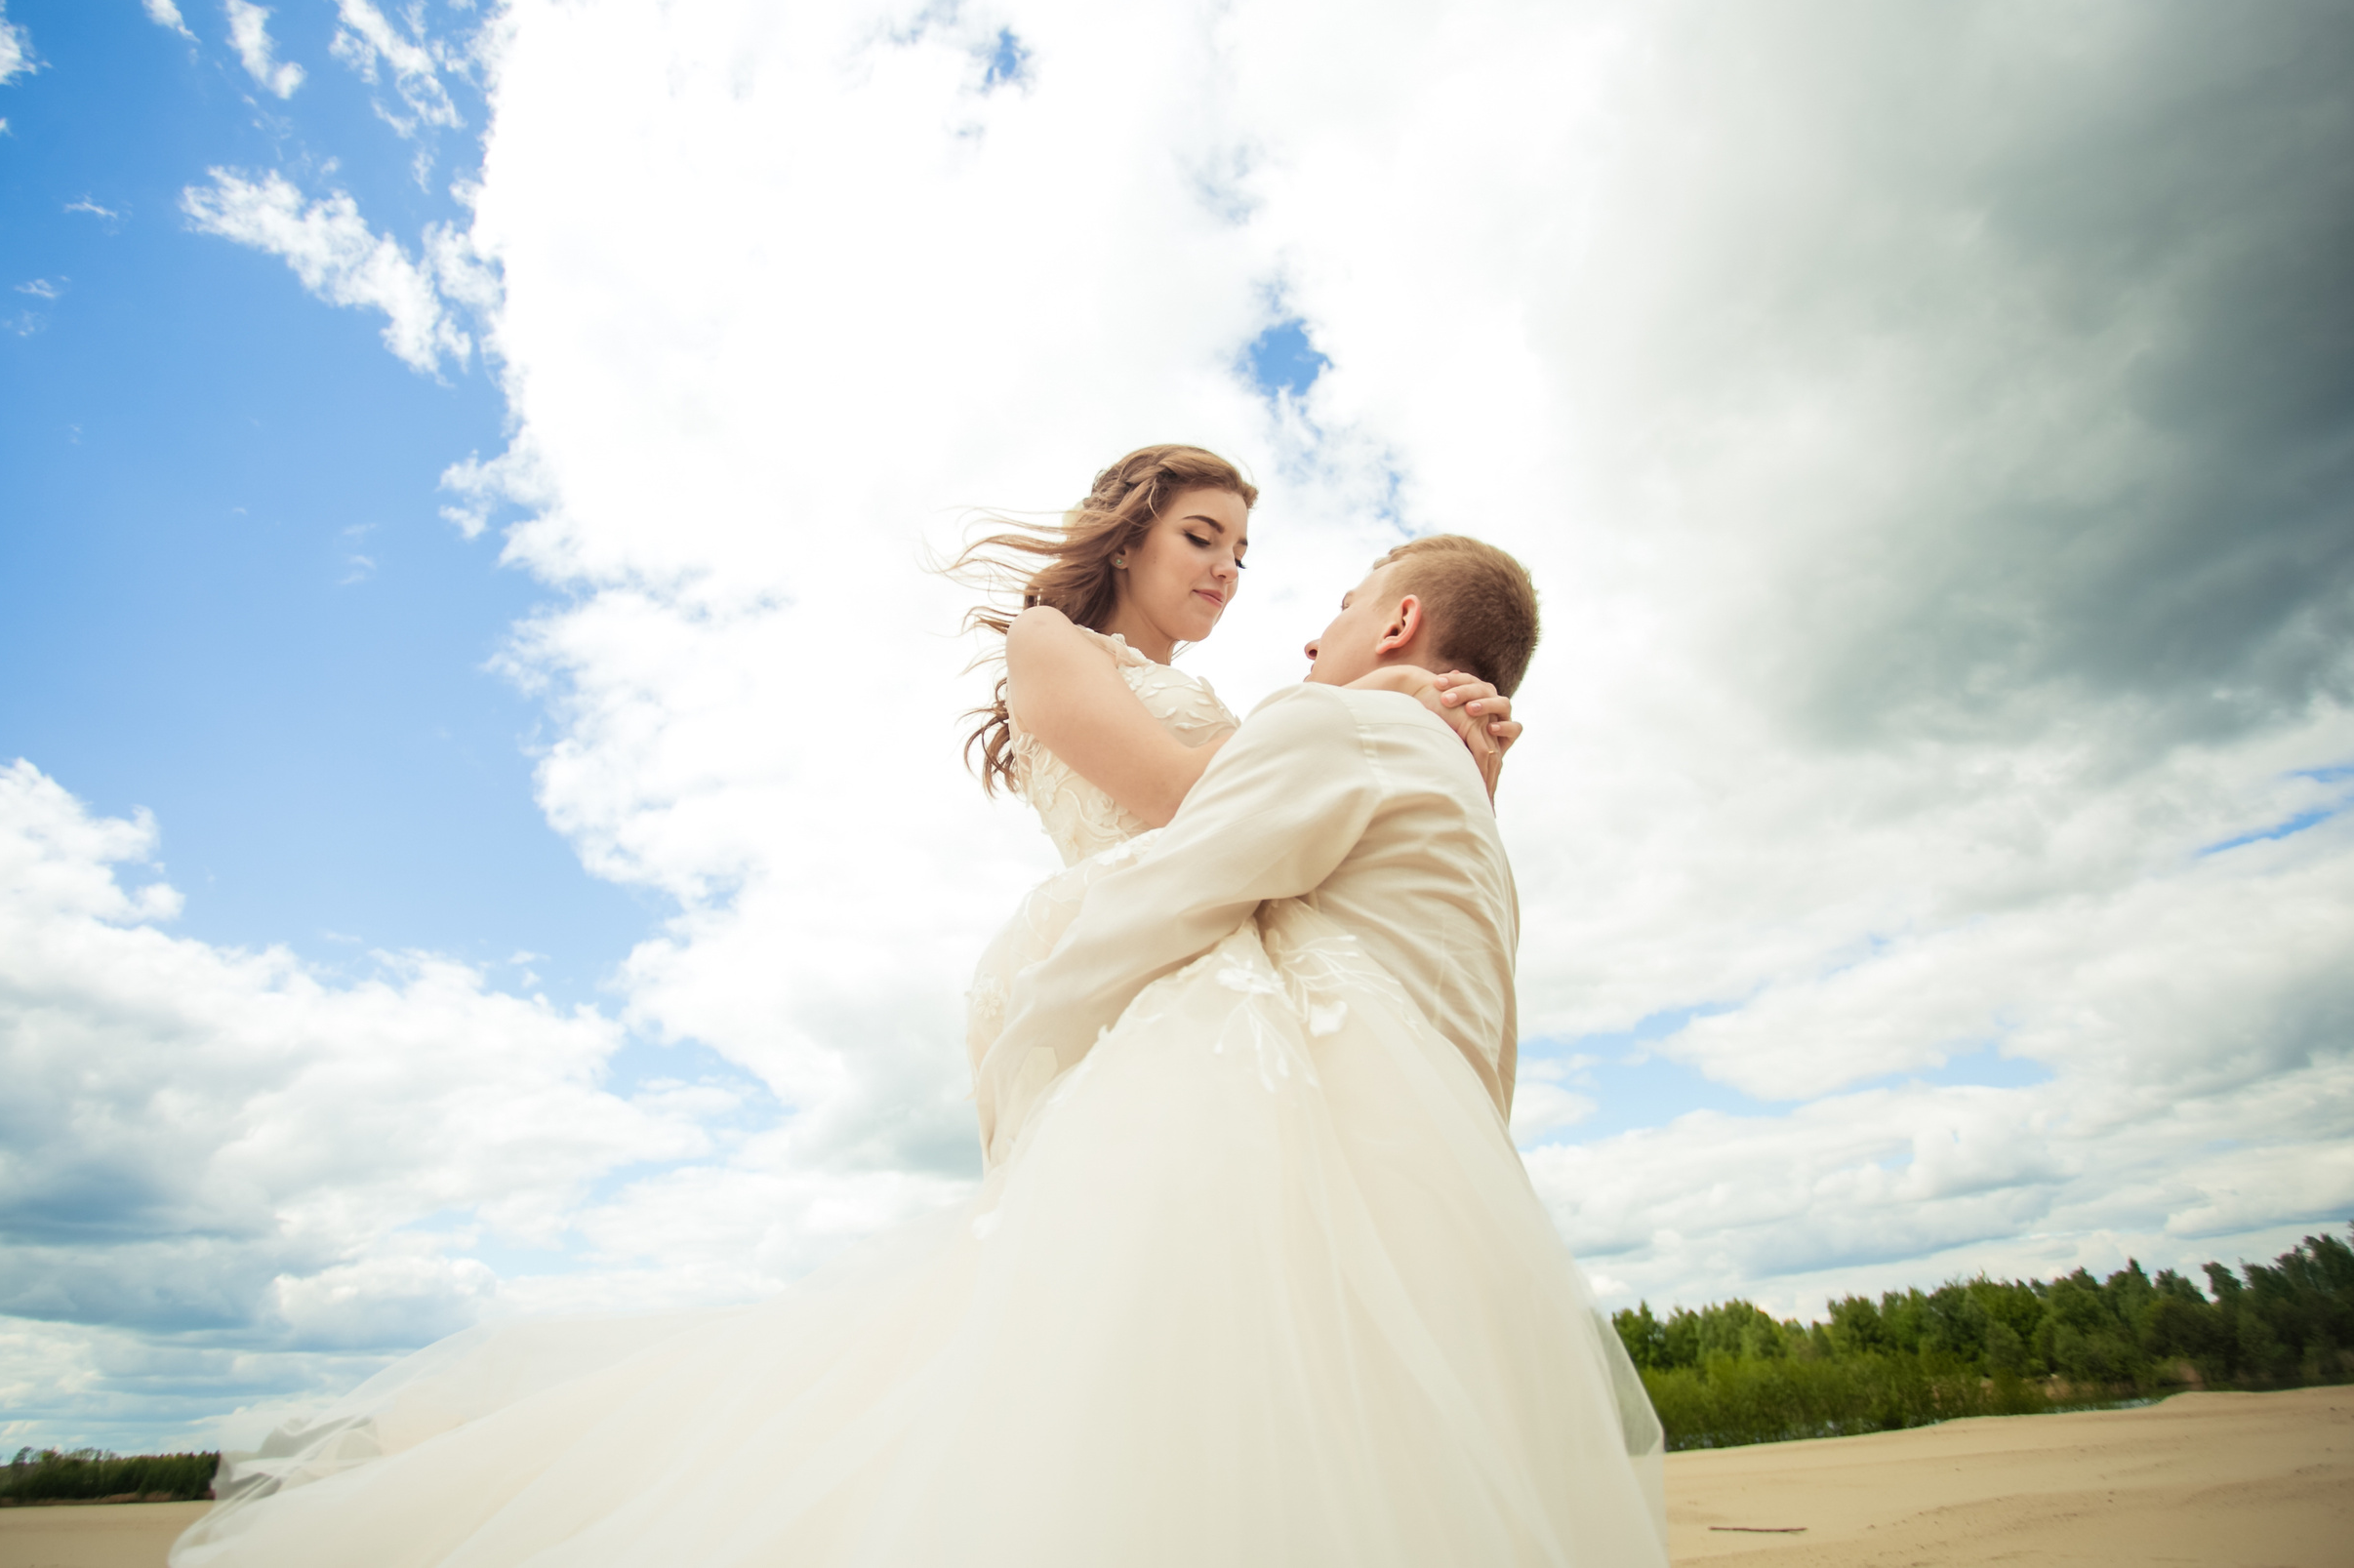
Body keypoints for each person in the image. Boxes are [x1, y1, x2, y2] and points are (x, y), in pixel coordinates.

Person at [172, 444, 1666, 1568]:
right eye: (1203, 537)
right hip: (1149, 942)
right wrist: (1397, 720)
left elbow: (1325, 833)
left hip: (1250, 956)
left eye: (1250, 555)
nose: (1230, 574)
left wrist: (1398, 740)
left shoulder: (1317, 721)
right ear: (1128, 537)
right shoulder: (1055, 646)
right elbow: (1176, 804)